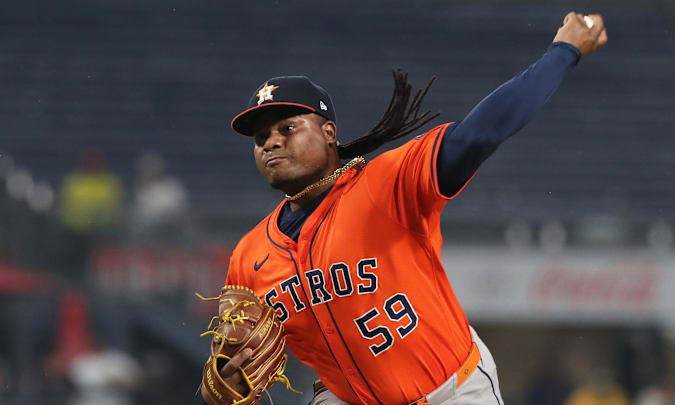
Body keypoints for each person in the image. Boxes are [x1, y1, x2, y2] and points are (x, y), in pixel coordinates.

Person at [201, 12, 607, 405]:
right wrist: (220, 388)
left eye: (288, 128)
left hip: (454, 393)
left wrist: (563, 51)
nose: (271, 142)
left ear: (329, 134)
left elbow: (478, 135)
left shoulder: (388, 183)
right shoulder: (249, 257)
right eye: (260, 137)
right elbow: (236, 367)